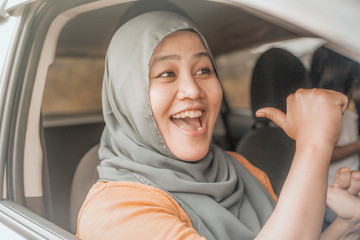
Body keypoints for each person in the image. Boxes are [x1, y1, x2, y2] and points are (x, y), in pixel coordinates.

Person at [76, 11, 360, 239]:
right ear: (127, 95)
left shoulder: (240, 169)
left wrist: (343, 226)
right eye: (166, 73)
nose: (193, 89)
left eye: (203, 70)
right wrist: (313, 145)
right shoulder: (114, 213)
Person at [310, 46, 360, 229]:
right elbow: (327, 152)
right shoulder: (323, 113)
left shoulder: (347, 111)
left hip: (351, 185)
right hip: (332, 193)